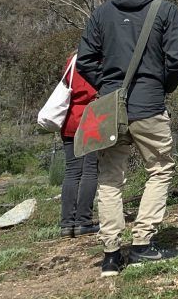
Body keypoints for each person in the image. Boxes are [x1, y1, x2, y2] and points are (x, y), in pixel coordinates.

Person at [76, 0, 178, 277]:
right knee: (160, 168)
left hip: (110, 109)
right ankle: (142, 244)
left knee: (110, 179)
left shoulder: (102, 13)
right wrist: (160, 87)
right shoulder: (165, 11)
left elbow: (84, 60)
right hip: (149, 106)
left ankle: (111, 255)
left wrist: (108, 88)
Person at [59, 53, 99, 238]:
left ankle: (67, 223)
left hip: (70, 120)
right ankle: (83, 221)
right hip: (91, 119)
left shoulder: (72, 59)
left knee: (72, 171)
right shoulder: (100, 60)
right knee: (90, 170)